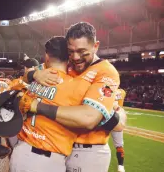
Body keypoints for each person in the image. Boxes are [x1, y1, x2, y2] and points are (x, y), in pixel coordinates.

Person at [22, 22, 126, 172]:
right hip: (59, 147)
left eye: (82, 51)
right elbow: (25, 76)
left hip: (87, 152)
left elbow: (89, 118)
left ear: (96, 46)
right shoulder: (67, 63)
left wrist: (36, 106)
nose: (76, 57)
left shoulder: (106, 71)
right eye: (71, 51)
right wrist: (34, 74)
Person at [10, 36, 80, 172]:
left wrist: (33, 75)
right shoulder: (76, 85)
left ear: (47, 56)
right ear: (69, 57)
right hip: (48, 160)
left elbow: (13, 91)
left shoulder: (36, 80)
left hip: (20, 151)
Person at [111, 88, 127, 172]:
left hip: (105, 116)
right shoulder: (122, 92)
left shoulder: (104, 88)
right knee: (119, 145)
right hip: (118, 117)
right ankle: (121, 166)